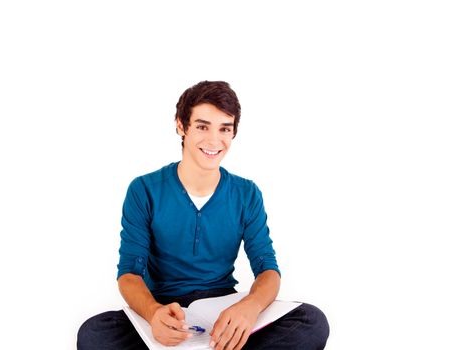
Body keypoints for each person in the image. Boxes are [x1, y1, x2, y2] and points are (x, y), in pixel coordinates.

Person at [77, 81, 330, 349]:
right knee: (94, 334)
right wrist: (153, 314)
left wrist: (250, 307)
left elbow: (268, 269)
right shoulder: (144, 190)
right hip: (165, 310)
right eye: (202, 126)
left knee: (311, 321)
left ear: (233, 134)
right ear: (181, 126)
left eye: (224, 129)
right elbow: (129, 274)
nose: (213, 140)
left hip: (222, 307)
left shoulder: (246, 194)